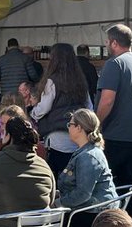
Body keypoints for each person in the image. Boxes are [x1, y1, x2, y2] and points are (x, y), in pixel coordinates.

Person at [96, 24, 132, 221]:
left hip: (116, 134)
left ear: (113, 42)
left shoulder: (114, 64)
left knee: (110, 184)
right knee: (128, 182)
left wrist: (95, 124)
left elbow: (107, 100)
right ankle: (130, 224)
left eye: (107, 42)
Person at [58, 109, 118, 227]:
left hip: (96, 215)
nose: (68, 128)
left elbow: (82, 194)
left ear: (79, 128)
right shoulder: (86, 151)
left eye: (70, 125)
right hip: (92, 209)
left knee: (50, 222)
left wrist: (57, 204)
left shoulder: (88, 156)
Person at [30, 42, 92, 178]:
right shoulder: (80, 80)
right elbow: (89, 107)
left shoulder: (52, 81)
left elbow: (43, 109)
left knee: (55, 179)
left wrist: (32, 113)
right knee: (73, 178)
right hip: (78, 137)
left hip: (56, 138)